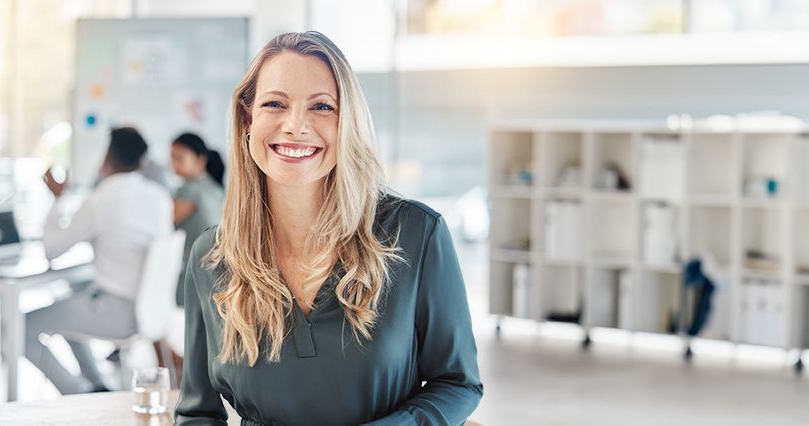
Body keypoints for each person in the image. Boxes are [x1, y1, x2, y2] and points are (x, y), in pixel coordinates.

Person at [175, 32, 482, 425]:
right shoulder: (210, 257)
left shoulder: (416, 233)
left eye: (322, 106)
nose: (295, 126)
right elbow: (197, 412)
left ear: (348, 123)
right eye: (275, 103)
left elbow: (457, 382)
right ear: (248, 119)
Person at [25, 126, 172, 394]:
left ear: (107, 158)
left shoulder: (100, 200)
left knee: (20, 327)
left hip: (116, 314)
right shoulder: (160, 197)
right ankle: (97, 387)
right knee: (68, 303)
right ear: (141, 161)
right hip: (151, 311)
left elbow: (51, 249)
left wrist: (58, 199)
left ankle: (79, 393)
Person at [168, 132, 225, 306]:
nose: (173, 163)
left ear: (200, 160)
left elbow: (166, 224)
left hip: (197, 273)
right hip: (217, 272)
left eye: (179, 158)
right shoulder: (215, 188)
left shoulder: (190, 190)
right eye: (172, 157)